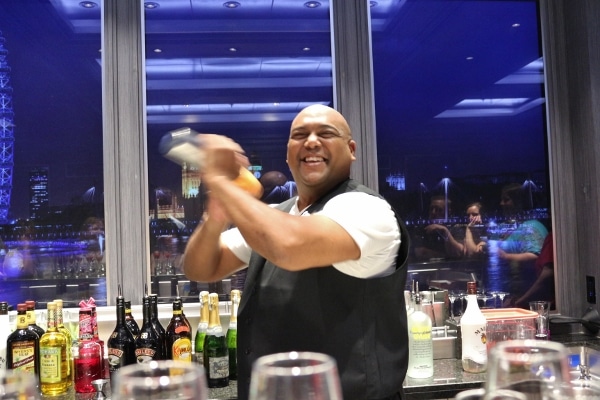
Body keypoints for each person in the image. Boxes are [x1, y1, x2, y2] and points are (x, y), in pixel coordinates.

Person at [183, 104, 410, 400]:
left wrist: (221, 180)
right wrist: (215, 215)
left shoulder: (366, 208)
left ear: (351, 149)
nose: (311, 141)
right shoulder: (280, 215)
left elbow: (289, 246)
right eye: (300, 135)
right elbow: (200, 268)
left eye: (326, 133)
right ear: (289, 153)